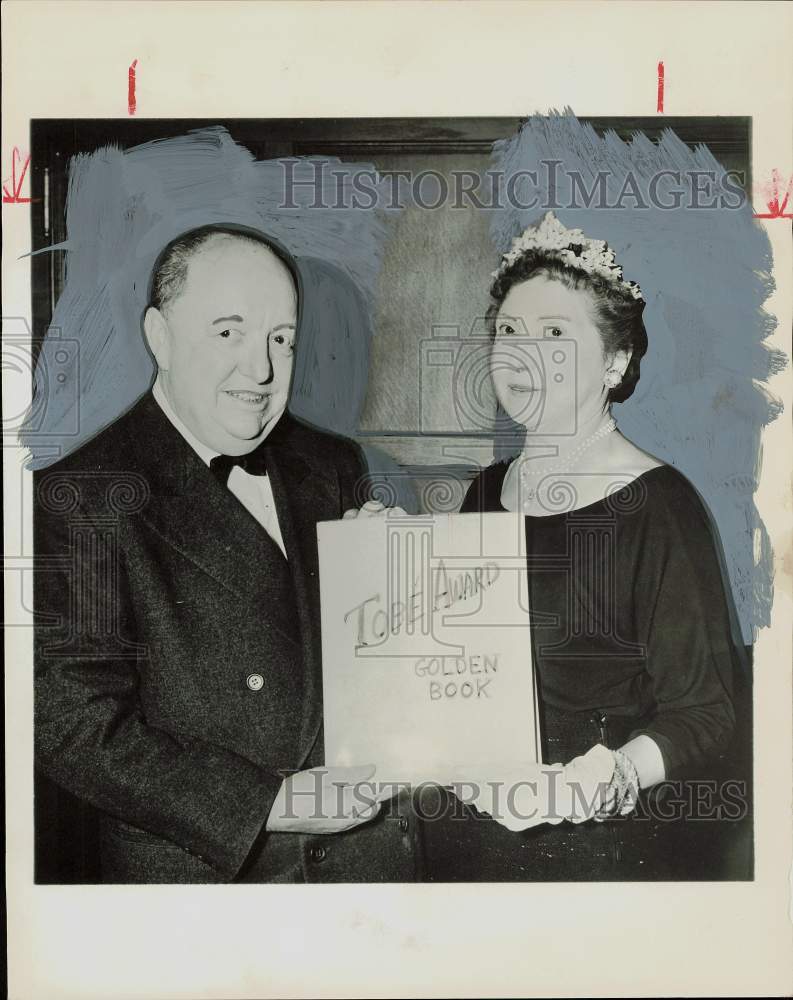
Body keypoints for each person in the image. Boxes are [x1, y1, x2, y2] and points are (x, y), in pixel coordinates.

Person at [33, 224, 420, 883]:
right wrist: (266, 802)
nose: (262, 369)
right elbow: (69, 722)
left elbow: (354, 669)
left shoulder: (330, 463)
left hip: (361, 868)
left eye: (281, 338)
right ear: (160, 336)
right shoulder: (82, 495)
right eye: (227, 333)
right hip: (208, 880)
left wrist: (391, 581)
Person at [418, 212, 747, 881]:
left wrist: (601, 777)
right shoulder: (485, 490)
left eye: (554, 335)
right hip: (465, 840)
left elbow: (707, 713)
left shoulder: (659, 506)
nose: (521, 356)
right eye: (508, 332)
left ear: (615, 360)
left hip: (593, 851)